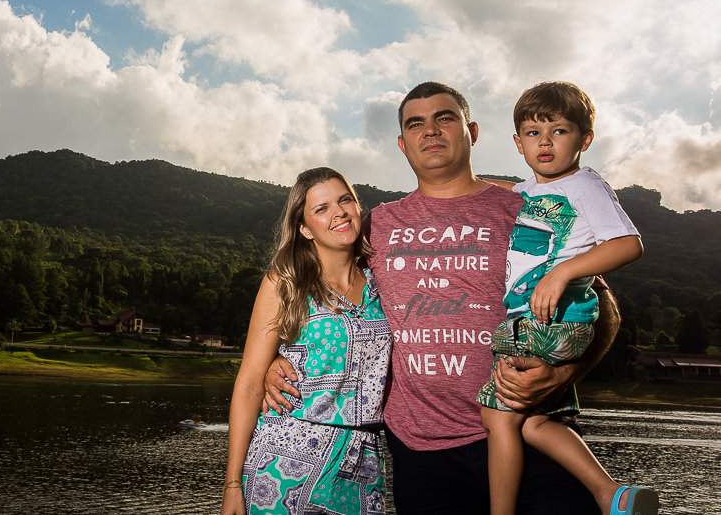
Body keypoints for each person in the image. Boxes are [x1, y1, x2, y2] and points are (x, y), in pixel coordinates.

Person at [264, 81, 620, 514]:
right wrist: (280, 357)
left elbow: (605, 311)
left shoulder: (526, 206)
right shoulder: (375, 225)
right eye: (416, 123)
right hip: (423, 452)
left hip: (529, 430)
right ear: (402, 143)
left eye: (444, 118)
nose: (430, 131)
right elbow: (319, 287)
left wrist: (563, 375)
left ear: (471, 131)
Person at [477, 81, 657, 515]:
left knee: (498, 418)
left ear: (584, 139)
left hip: (550, 319)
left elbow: (629, 244)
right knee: (536, 422)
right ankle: (610, 493)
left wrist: (564, 272)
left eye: (558, 131)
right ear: (518, 143)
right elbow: (502, 190)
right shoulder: (526, 192)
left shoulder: (585, 186)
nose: (545, 143)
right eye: (533, 134)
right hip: (547, 322)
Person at [222, 167, 393, 515]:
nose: (339, 212)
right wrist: (232, 485)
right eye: (322, 208)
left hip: (364, 462)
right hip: (284, 464)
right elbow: (249, 385)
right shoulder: (285, 283)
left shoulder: (383, 282)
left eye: (345, 200)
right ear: (304, 228)